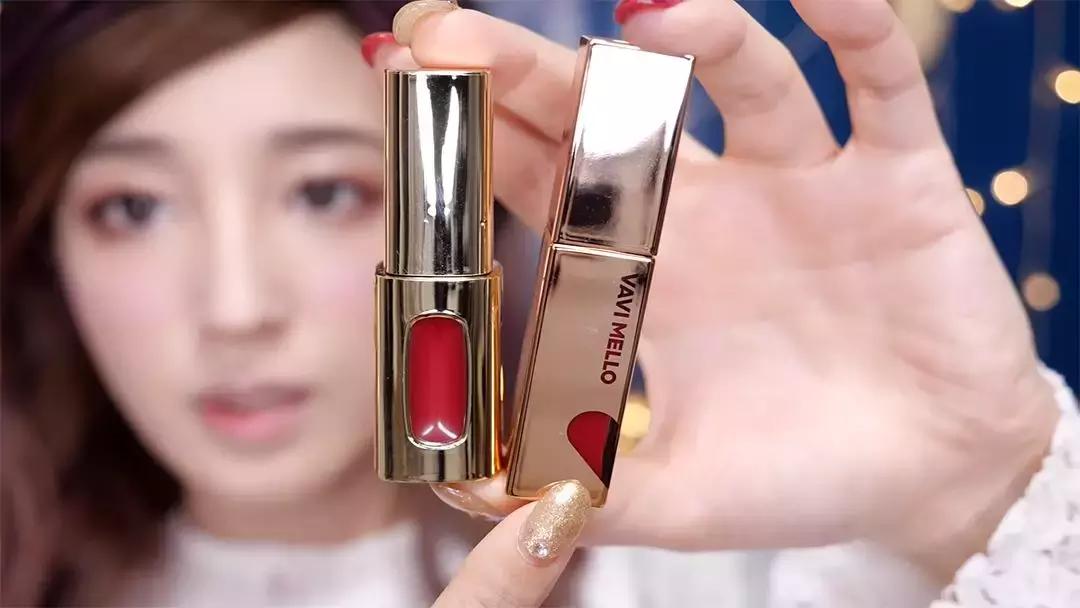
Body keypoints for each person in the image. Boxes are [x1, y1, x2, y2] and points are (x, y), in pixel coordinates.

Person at [1, 1, 1075, 606]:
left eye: (325, 191)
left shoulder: (735, 573)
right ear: (48, 253)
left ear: (460, 216)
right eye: (133, 207)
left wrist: (972, 489)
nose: (236, 308)